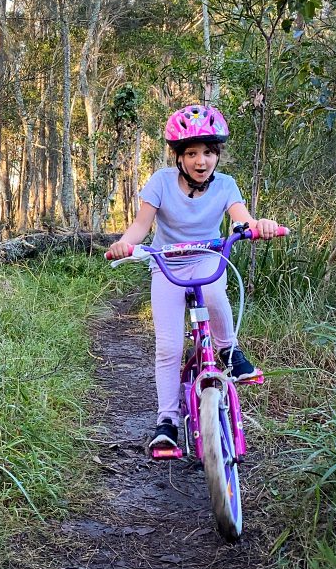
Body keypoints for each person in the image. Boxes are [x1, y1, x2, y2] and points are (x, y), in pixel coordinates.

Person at [105, 104, 280, 455]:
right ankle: (166, 422)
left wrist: (257, 226)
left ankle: (228, 351)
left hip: (207, 259)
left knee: (215, 296)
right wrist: (126, 243)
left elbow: (241, 218)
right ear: (179, 157)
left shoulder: (226, 185)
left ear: (217, 155)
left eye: (209, 152)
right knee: (168, 347)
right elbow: (141, 225)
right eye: (192, 153)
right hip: (168, 264)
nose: (202, 161)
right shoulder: (160, 182)